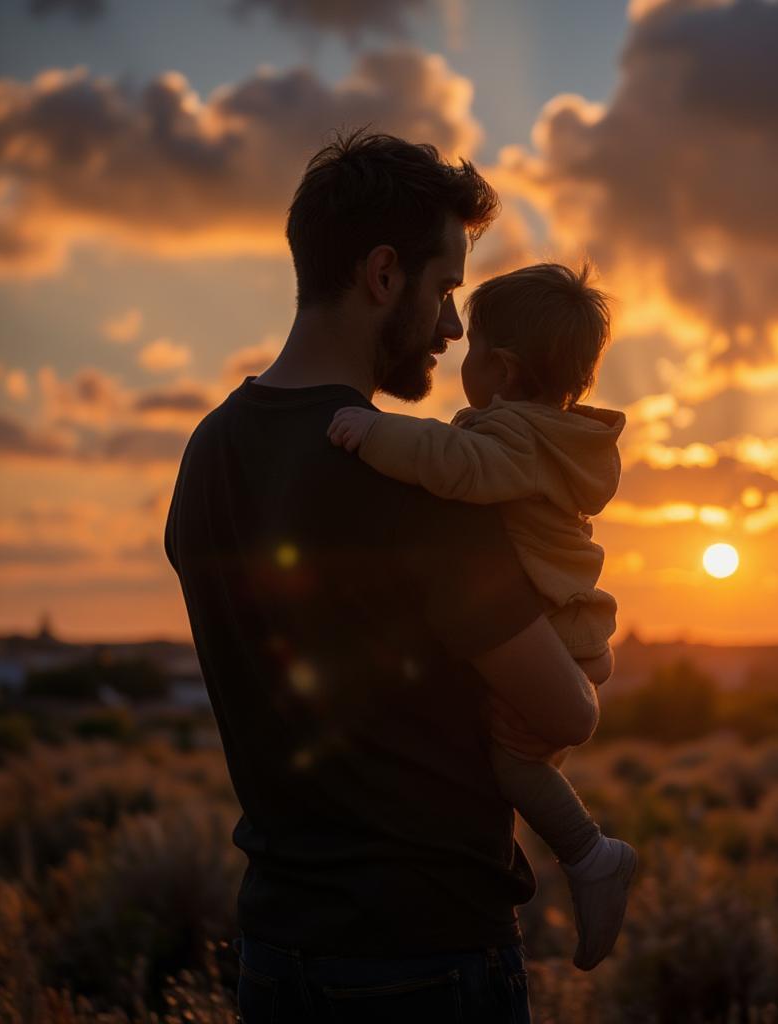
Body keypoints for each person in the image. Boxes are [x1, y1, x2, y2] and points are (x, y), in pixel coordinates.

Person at [164, 129, 600, 1023]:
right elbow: (564, 712)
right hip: (424, 959)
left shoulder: (207, 453)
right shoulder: (414, 480)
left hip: (275, 954)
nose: (448, 326)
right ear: (382, 275)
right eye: (444, 289)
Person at [327, 262, 638, 971]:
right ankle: (579, 859)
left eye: (473, 348)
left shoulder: (515, 440)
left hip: (554, 637)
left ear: (499, 368)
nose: (456, 346)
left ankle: (592, 857)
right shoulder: (557, 439)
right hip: (576, 632)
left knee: (510, 762)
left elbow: (453, 463)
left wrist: (372, 432)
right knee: (511, 766)